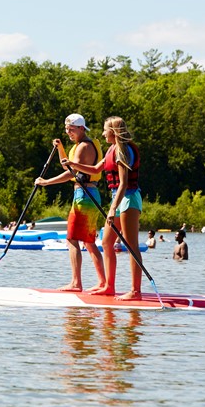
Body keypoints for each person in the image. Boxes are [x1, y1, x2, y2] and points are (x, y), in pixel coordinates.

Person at [66, 116, 143, 300]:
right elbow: (94, 170)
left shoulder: (123, 151)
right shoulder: (111, 149)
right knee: (107, 242)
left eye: (105, 130)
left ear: (113, 132)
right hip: (117, 199)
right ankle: (109, 286)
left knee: (131, 245)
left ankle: (136, 291)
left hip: (129, 199)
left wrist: (112, 208)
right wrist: (72, 165)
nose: (102, 133)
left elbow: (124, 183)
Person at [36, 113, 107, 293]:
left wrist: (46, 182)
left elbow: (71, 174)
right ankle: (102, 282)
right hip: (89, 194)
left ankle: (76, 283)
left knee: (72, 239)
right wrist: (60, 148)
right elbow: (67, 166)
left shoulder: (83, 147)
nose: (68, 133)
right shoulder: (80, 145)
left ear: (82, 129)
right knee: (88, 242)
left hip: (84, 196)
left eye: (72, 130)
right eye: (67, 130)